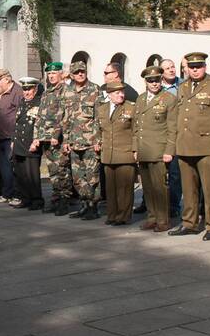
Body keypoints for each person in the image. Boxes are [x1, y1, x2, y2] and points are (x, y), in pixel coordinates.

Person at [170, 51, 210, 240]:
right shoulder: (183, 87)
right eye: (192, 67)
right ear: (187, 69)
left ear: (205, 67)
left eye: (199, 67)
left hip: (206, 144)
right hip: (185, 144)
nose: (195, 71)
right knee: (188, 188)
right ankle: (190, 222)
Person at [133, 66, 177, 232]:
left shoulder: (169, 99)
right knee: (148, 188)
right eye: (150, 80)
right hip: (144, 150)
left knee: (160, 188)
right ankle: (151, 218)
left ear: (161, 80)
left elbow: (173, 128)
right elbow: (136, 127)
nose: (154, 83)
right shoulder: (141, 99)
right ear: (146, 82)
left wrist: (169, 151)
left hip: (159, 151)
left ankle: (163, 220)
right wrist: (135, 148)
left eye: (157, 80)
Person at [61, 60, 101, 220]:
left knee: (92, 177)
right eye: (77, 72)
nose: (80, 74)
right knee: (78, 178)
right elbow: (65, 119)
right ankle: (85, 204)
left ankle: (93, 206)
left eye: (82, 71)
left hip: (90, 143)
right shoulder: (67, 91)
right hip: (74, 142)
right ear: (71, 74)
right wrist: (65, 141)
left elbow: (99, 117)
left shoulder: (94, 89)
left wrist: (98, 140)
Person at [32, 62, 73, 216]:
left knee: (62, 170)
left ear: (61, 74)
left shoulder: (66, 91)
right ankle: (56, 199)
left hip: (59, 139)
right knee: (53, 171)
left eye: (54, 73)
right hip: (46, 139)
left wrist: (57, 135)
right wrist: (36, 137)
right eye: (49, 74)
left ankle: (64, 201)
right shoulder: (47, 92)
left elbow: (66, 116)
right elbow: (40, 116)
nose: (51, 76)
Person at [97, 80, 137, 225]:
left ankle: (123, 216)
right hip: (108, 154)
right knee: (110, 188)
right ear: (109, 95)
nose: (121, 95)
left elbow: (136, 131)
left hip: (125, 153)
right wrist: (98, 143)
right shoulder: (102, 109)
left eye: (122, 92)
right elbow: (99, 130)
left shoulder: (131, 108)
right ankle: (112, 215)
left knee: (124, 188)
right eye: (117, 92)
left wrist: (136, 149)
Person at [0, 68, 22, 203]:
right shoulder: (0, 93)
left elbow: (21, 116)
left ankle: (17, 194)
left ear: (7, 79)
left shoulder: (17, 92)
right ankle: (7, 193)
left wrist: (16, 137)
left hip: (10, 138)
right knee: (4, 168)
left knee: (13, 168)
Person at [11, 77, 44, 209]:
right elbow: (16, 123)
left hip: (31, 143)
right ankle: (25, 198)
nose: (26, 92)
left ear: (35, 89)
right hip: (19, 143)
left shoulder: (40, 103)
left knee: (32, 175)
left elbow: (41, 124)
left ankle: (37, 200)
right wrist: (13, 140)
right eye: (24, 89)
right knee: (21, 174)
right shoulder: (22, 102)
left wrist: (37, 141)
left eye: (29, 89)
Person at [159, 59, 183, 218]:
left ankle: (174, 205)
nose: (171, 70)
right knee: (157, 173)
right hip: (159, 135)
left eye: (172, 67)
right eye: (167, 68)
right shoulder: (156, 86)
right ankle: (153, 204)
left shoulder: (182, 86)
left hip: (176, 134)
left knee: (175, 173)